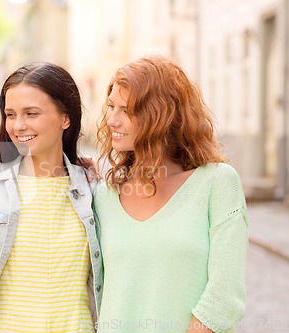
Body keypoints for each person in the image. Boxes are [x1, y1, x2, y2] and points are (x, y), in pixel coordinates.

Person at [94, 56, 249, 333]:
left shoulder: (217, 184)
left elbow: (225, 299)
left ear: (161, 115)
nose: (111, 120)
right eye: (110, 107)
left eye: (126, 110)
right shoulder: (104, 196)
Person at [0, 62, 102, 333]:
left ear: (66, 118)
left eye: (31, 113)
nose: (18, 125)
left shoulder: (94, 189)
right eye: (10, 114)